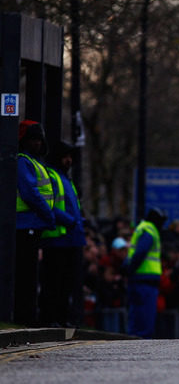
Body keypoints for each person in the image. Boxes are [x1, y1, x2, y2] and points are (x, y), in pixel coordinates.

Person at [13, 120, 63, 325]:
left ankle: (28, 316)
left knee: (31, 275)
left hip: (33, 224)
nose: (37, 144)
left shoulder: (33, 162)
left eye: (39, 140)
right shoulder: (23, 161)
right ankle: (25, 317)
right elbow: (30, 193)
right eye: (32, 139)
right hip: (26, 224)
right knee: (26, 274)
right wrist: (48, 215)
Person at [38, 140, 86, 327]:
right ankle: (50, 319)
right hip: (57, 238)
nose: (68, 161)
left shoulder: (66, 179)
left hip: (71, 238)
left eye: (70, 157)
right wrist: (71, 221)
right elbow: (50, 205)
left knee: (66, 284)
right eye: (65, 157)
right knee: (53, 282)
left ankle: (62, 318)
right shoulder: (52, 175)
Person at [124, 207, 167, 338]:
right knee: (145, 316)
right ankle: (141, 342)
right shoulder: (150, 230)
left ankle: (135, 339)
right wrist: (130, 270)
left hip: (139, 278)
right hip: (144, 279)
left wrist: (128, 269)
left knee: (137, 314)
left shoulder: (142, 228)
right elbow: (140, 253)